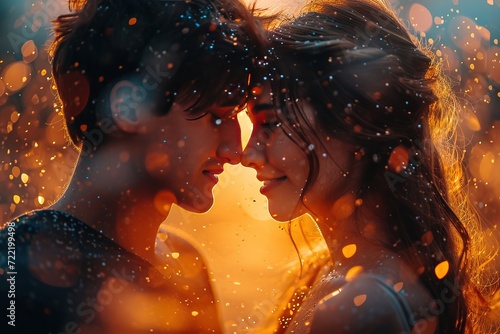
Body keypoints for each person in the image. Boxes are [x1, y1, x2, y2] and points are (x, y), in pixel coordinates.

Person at [0, 0, 265, 332]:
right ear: (128, 106)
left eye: (234, 117)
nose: (234, 150)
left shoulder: (185, 264)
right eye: (215, 117)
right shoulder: (18, 276)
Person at [242, 0, 498, 332]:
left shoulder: (357, 307)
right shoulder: (346, 277)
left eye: (270, 123)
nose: (247, 154)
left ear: (356, 124)